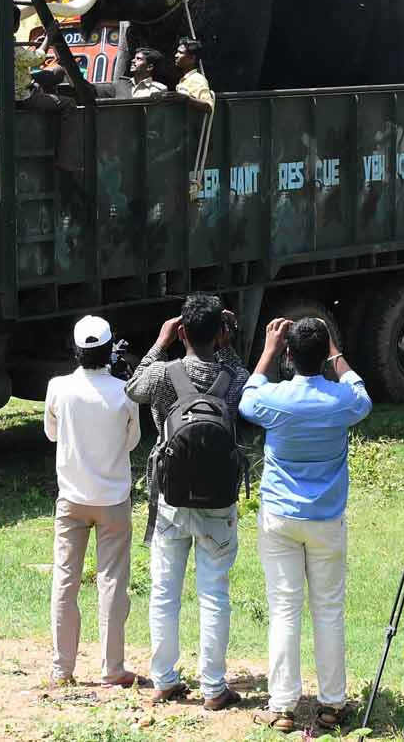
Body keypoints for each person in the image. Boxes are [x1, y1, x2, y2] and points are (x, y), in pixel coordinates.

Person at [240, 316, 373, 734]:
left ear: (289, 356)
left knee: (284, 609)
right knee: (328, 609)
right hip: (327, 519)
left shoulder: (276, 400)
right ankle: (331, 704)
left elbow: (246, 399)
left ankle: (282, 706)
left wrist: (267, 350)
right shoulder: (341, 401)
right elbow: (361, 393)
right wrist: (335, 351)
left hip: (280, 517)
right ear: (325, 354)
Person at [125, 295, 247, 711]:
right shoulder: (231, 377)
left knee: (164, 591)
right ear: (219, 334)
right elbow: (248, 383)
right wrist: (227, 344)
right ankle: (214, 686)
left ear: (181, 333)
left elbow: (133, 388)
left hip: (170, 500)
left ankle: (164, 679)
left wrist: (160, 342)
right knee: (214, 593)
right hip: (218, 502)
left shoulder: (162, 374)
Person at [43, 315, 143, 687]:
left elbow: (52, 433)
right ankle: (112, 668)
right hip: (114, 499)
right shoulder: (125, 392)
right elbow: (131, 442)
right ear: (108, 350)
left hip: (71, 498)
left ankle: (61, 668)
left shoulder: (58, 388)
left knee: (65, 580)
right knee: (112, 582)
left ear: (76, 351)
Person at [173, 38, 215, 113]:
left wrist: (187, 99)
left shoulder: (197, 79)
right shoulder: (186, 78)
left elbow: (208, 107)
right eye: (177, 52)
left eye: (180, 53)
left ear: (192, 58)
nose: (176, 55)